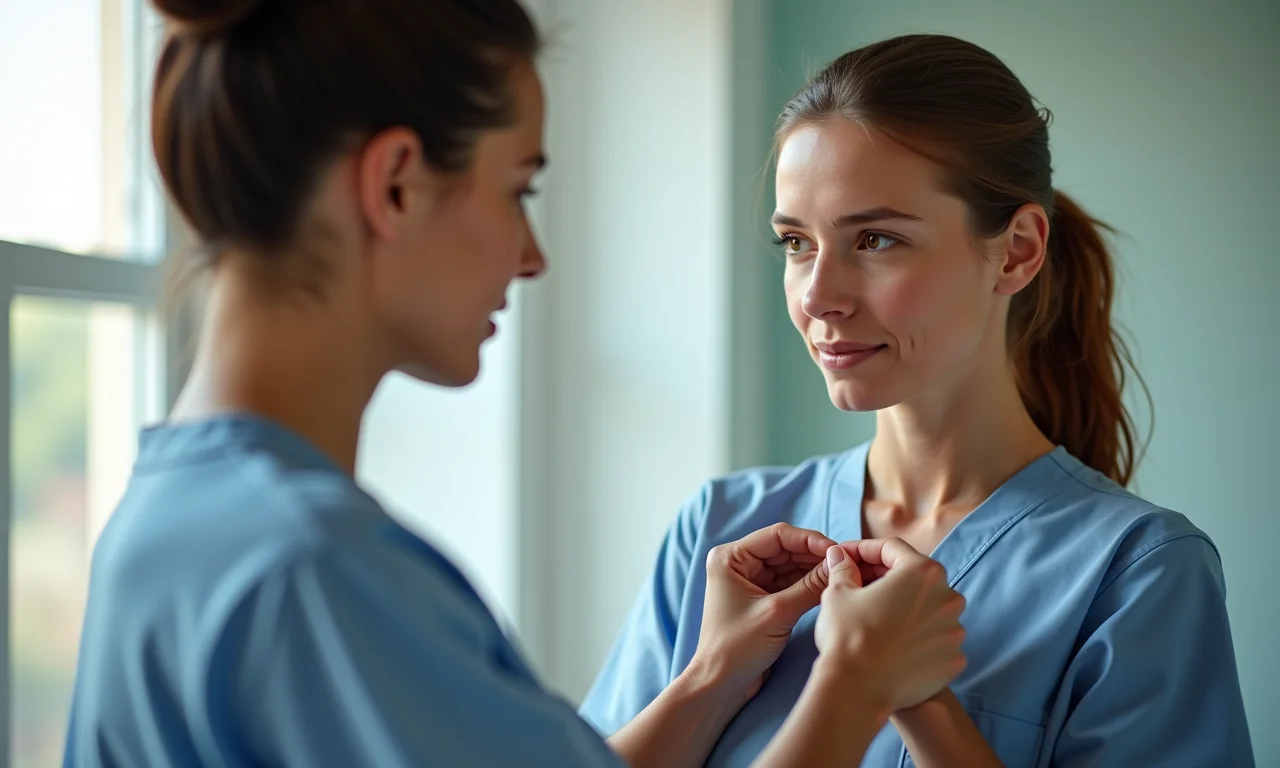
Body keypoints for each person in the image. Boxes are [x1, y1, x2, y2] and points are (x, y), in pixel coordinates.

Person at [63, 3, 970, 767]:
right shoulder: (317, 574)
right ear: (397, 184)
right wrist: (853, 687)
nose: (532, 256)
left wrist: (708, 679)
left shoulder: (166, 525)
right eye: (518, 191)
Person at [580, 33, 1255, 767]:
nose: (818, 297)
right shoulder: (718, 534)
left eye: (875, 240)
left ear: (1017, 251)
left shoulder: (1140, 573)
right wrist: (712, 675)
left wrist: (919, 704)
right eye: (797, 243)